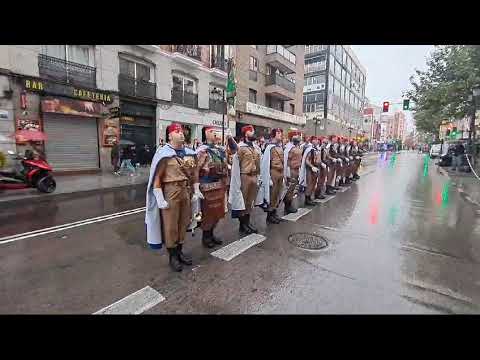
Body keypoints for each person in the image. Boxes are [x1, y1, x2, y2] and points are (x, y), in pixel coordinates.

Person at [145, 123, 203, 272]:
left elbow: (195, 173)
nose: (181, 134)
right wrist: (159, 197)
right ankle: (173, 256)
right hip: (171, 191)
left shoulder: (190, 153)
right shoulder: (164, 153)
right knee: (171, 225)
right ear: (170, 136)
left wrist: (196, 190)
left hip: (186, 190)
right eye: (177, 132)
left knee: (184, 222)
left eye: (182, 132)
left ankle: (180, 251)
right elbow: (157, 178)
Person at [195, 127, 230, 248]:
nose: (215, 133)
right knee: (208, 213)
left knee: (217, 213)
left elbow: (232, 153)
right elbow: (196, 169)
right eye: (211, 132)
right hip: (207, 186)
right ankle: (206, 236)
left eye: (215, 131)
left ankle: (211, 233)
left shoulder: (220, 150)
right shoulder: (201, 150)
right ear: (205, 134)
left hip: (219, 184)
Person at [228, 125, 262, 235]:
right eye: (251, 131)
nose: (253, 133)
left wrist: (259, 176)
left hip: (254, 176)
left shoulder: (256, 148)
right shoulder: (240, 147)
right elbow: (234, 154)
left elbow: (259, 163)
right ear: (246, 133)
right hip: (244, 177)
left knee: (250, 201)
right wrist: (229, 139)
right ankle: (242, 224)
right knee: (243, 200)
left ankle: (247, 222)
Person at [257, 128, 285, 225]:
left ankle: (274, 212)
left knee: (278, 193)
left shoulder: (280, 147)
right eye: (278, 133)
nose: (280, 134)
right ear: (273, 135)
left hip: (281, 172)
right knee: (272, 194)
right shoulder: (269, 147)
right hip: (273, 172)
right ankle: (270, 215)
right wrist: (267, 178)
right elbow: (266, 163)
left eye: (281, 132)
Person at [283, 129, 303, 215]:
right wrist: (287, 172)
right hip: (291, 170)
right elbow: (287, 160)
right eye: (296, 135)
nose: (298, 137)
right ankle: (287, 206)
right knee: (289, 189)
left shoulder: (296, 147)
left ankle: (289, 204)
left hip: (296, 170)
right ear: (291, 137)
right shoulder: (289, 148)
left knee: (293, 188)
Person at [299, 136, 321, 206]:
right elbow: (307, 160)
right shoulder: (310, 149)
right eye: (315, 140)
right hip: (310, 169)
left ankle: (310, 197)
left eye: (317, 140)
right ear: (312, 141)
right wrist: (312, 167)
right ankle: (307, 199)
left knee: (314, 183)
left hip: (316, 168)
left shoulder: (316, 149)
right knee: (310, 184)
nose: (317, 141)